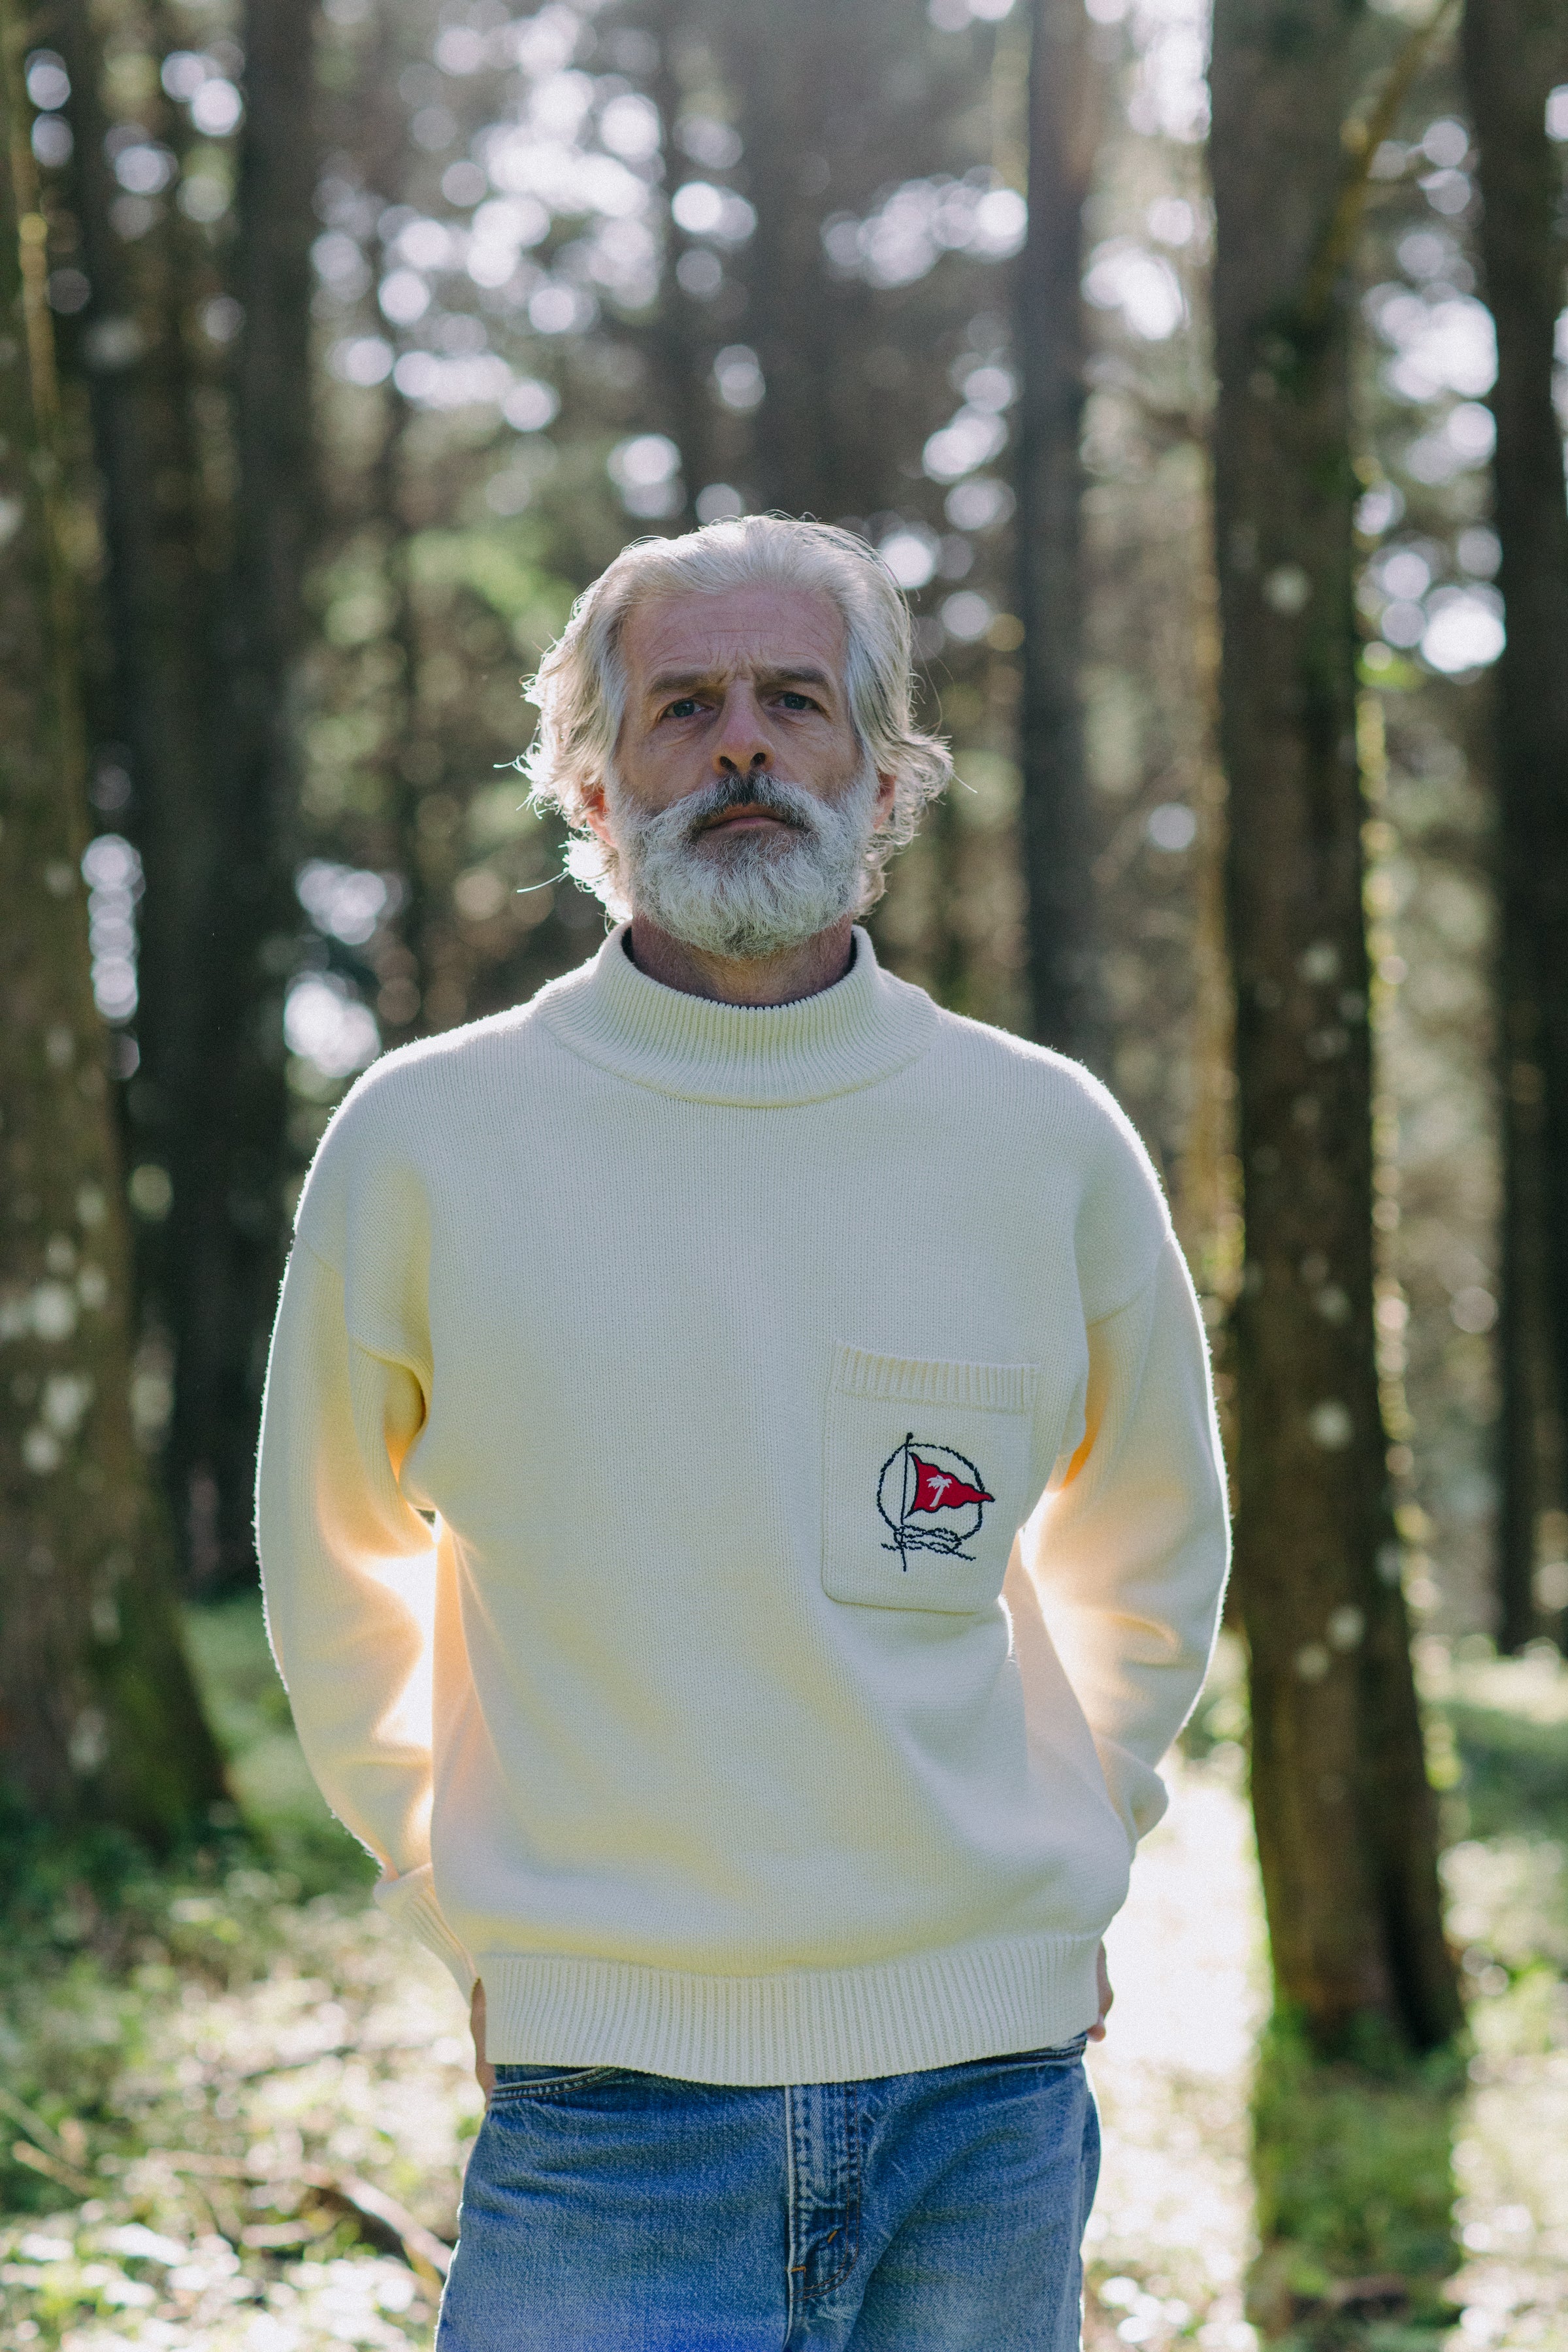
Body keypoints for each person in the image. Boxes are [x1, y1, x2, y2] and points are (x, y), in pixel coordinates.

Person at [255, 514, 1229, 2349]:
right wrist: (456, 1902)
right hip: (602, 2117)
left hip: (991, 2107)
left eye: (797, 700)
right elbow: (330, 1572)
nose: (745, 747)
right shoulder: (427, 1143)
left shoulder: (1043, 1140)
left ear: (882, 778)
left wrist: (1081, 1825)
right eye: (683, 707)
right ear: (596, 786)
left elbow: (1154, 1547)